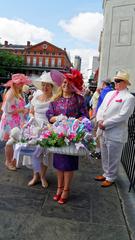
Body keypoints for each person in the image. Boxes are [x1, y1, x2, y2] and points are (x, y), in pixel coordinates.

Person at [46, 68, 88, 204]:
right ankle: (59, 188)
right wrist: (57, 118)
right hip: (58, 135)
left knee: (68, 164)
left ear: (74, 85)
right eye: (64, 82)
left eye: (69, 83)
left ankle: (66, 190)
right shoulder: (55, 100)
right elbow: (49, 116)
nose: (66, 84)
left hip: (72, 136)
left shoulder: (79, 99)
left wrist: (76, 120)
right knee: (59, 164)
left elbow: (85, 116)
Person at [95, 70, 135, 187]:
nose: (116, 82)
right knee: (105, 154)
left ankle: (111, 177)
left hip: (116, 132)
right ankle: (106, 173)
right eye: (115, 80)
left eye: (119, 80)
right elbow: (101, 108)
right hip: (103, 130)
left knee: (113, 156)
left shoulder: (129, 98)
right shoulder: (109, 94)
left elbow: (123, 116)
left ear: (126, 83)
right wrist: (99, 120)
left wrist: (105, 123)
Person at [27, 71, 58, 188]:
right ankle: (35, 176)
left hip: (47, 128)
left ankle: (42, 176)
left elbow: (55, 116)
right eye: (44, 84)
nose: (45, 87)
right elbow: (30, 111)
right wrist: (32, 119)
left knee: (45, 153)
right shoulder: (36, 96)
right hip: (35, 126)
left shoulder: (54, 99)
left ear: (52, 87)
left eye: (48, 85)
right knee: (35, 153)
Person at [0, 74, 31, 170]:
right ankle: (8, 162)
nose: (21, 84)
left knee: (14, 141)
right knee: (10, 142)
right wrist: (21, 110)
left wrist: (24, 109)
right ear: (14, 83)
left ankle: (12, 161)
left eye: (22, 82)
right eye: (19, 83)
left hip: (16, 121)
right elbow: (6, 110)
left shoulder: (17, 92)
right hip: (10, 122)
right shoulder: (11, 93)